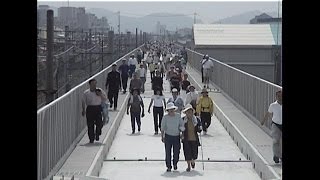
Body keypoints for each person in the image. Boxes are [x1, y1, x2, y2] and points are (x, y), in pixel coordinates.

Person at [161, 102, 185, 172]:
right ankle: (168, 166)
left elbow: (182, 125)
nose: (171, 111)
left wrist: (182, 133)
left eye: (172, 109)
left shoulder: (178, 116)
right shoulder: (165, 117)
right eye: (169, 110)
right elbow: (162, 127)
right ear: (167, 111)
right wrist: (162, 136)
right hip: (168, 136)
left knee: (176, 152)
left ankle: (175, 163)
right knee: (168, 152)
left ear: (174, 109)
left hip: (176, 136)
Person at [82, 79, 107, 143]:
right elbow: (83, 101)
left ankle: (97, 133)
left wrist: (100, 94)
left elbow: (105, 99)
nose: (94, 85)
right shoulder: (86, 93)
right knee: (90, 124)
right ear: (90, 85)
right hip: (90, 108)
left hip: (98, 108)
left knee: (99, 123)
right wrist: (83, 109)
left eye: (95, 83)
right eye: (93, 84)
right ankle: (91, 138)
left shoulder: (99, 90)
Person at [261, 90, 282, 163]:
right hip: (276, 124)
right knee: (276, 140)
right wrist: (263, 121)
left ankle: (280, 155)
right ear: (276, 97)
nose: (280, 97)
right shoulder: (273, 105)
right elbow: (268, 113)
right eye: (278, 96)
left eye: (281, 96)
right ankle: (276, 155)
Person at [181, 104, 202, 172]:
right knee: (187, 153)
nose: (189, 113)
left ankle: (193, 161)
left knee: (194, 153)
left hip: (194, 138)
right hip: (186, 139)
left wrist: (200, 128)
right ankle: (188, 166)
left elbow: (199, 129)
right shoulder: (183, 120)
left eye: (190, 111)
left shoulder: (196, 119)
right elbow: (181, 128)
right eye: (187, 112)